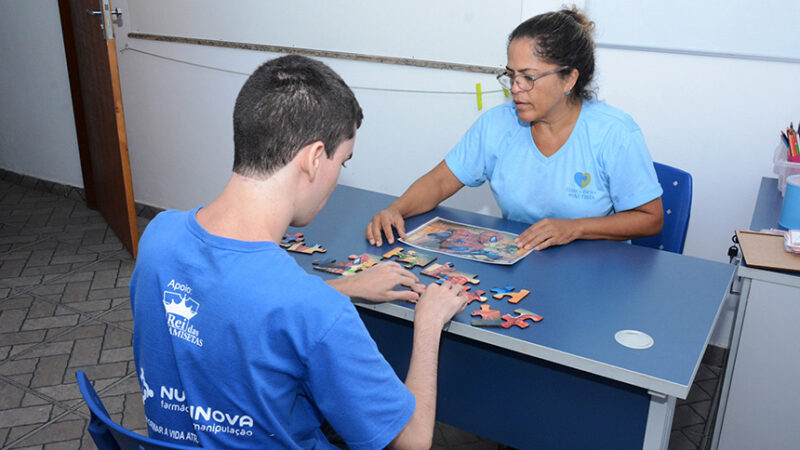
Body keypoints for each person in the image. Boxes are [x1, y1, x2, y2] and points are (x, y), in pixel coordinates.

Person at [130, 55, 467, 449]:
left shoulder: (159, 236)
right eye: (343, 160)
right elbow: (411, 443)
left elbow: (230, 306)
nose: (339, 176)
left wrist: (340, 287)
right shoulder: (315, 311)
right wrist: (428, 324)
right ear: (312, 158)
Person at [366, 7, 664, 251]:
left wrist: (574, 228)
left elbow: (650, 219)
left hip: (595, 270)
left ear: (569, 79)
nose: (516, 89)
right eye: (511, 76)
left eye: (528, 77)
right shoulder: (497, 124)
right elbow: (440, 182)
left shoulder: (615, 133)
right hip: (522, 261)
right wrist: (397, 209)